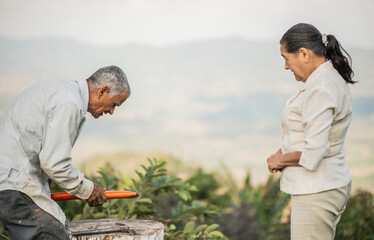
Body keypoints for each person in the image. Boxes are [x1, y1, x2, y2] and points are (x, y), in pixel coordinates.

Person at [0, 65, 131, 239]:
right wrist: (88, 189)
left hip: (10, 180)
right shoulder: (70, 102)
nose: (112, 111)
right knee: (51, 234)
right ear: (103, 91)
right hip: (13, 184)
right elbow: (55, 164)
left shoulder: (64, 92)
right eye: (114, 104)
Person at [267, 23, 357, 239]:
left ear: (304, 54)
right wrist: (283, 151)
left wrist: (280, 161)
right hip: (322, 186)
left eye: (286, 59)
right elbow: (310, 133)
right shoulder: (322, 81)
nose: (286, 67)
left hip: (317, 190)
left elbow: (314, 151)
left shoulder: (322, 88)